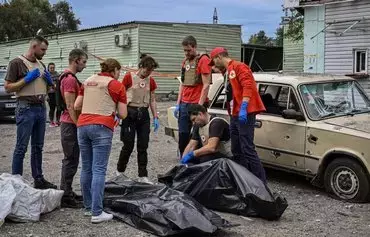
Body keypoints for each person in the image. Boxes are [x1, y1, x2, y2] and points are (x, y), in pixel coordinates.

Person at [74, 58, 127, 224]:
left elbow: (76, 105)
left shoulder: (88, 81)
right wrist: (115, 113)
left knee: (86, 167)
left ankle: (88, 207)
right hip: (102, 126)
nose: (119, 75)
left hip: (82, 125)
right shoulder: (116, 85)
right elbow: (123, 114)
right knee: (99, 169)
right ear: (114, 70)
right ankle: (97, 212)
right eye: (119, 71)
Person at [4, 36, 56, 189]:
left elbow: (49, 89)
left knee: (38, 146)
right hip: (25, 107)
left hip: (40, 107)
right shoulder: (16, 63)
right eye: (42, 49)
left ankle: (38, 179)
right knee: (21, 146)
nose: (44, 53)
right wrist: (26, 80)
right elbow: (8, 87)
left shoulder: (41, 64)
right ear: (33, 46)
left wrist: (50, 82)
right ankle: (15, 183)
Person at [209, 47, 267, 183]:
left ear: (218, 57)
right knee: (236, 149)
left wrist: (244, 107)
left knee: (247, 147)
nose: (214, 66)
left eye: (214, 62)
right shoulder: (228, 71)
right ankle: (244, 180)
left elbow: (248, 86)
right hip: (235, 114)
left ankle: (261, 182)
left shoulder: (239, 67)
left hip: (244, 113)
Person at [117, 55, 159, 184]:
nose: (148, 73)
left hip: (143, 113)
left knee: (143, 145)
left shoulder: (150, 81)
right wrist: (118, 113)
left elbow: (152, 99)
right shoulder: (129, 77)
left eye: (150, 71)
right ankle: (120, 172)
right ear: (141, 67)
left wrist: (155, 116)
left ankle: (143, 175)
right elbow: (121, 95)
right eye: (146, 71)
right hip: (130, 112)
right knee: (128, 144)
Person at [174, 35, 212, 157]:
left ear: (194, 47)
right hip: (184, 103)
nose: (186, 53)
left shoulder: (203, 60)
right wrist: (178, 104)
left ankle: (198, 162)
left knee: (199, 135)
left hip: (197, 102)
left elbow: (206, 85)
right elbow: (183, 83)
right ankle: (183, 160)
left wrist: (199, 107)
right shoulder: (185, 62)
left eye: (188, 50)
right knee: (183, 134)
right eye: (184, 50)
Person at [59, 49, 87, 207]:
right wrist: (78, 124)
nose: (84, 65)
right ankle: (65, 196)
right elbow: (70, 105)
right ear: (76, 60)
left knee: (73, 158)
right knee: (70, 159)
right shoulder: (69, 79)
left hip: (71, 123)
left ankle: (67, 191)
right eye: (83, 61)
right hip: (70, 124)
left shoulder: (70, 77)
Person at [46, 62, 61, 127]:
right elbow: (44, 86)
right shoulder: (46, 75)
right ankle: (51, 122)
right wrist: (46, 95)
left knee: (59, 107)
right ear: (48, 68)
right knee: (52, 108)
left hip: (57, 94)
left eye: (53, 68)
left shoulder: (57, 75)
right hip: (50, 94)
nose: (52, 69)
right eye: (51, 68)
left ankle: (58, 121)